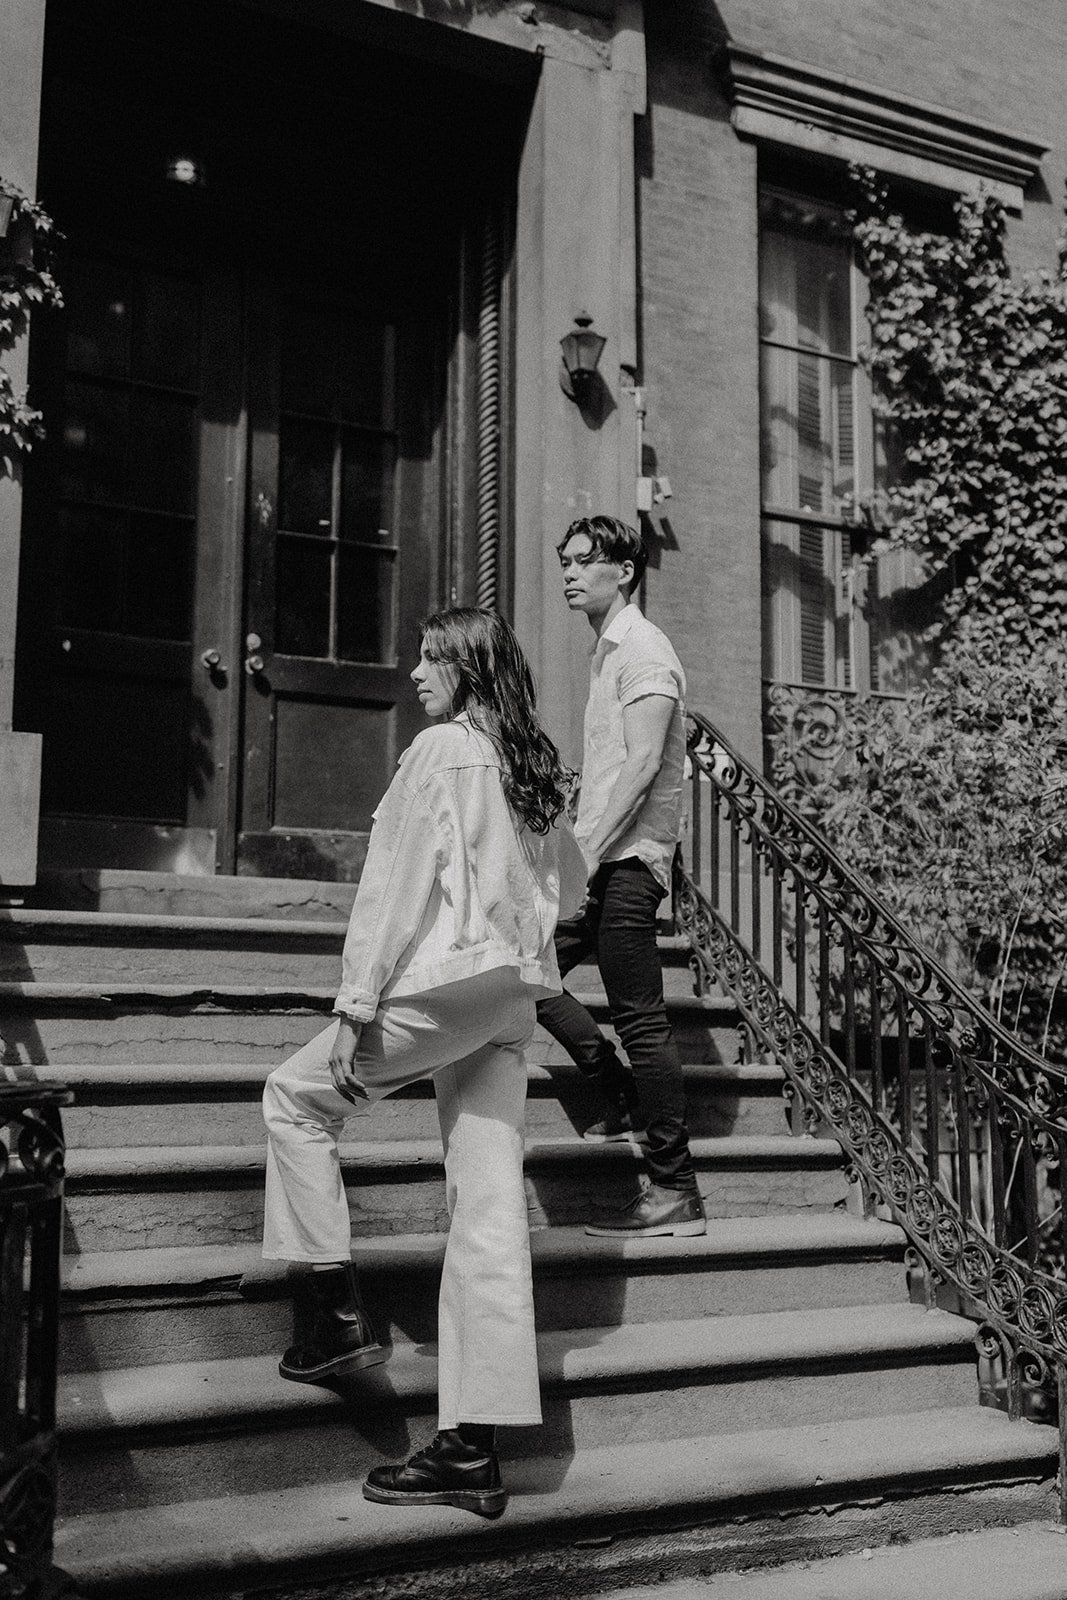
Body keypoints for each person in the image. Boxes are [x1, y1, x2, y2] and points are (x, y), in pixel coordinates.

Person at [261, 607, 586, 1519]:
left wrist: (352, 1007)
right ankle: (469, 1454)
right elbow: (574, 884)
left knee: (293, 1098)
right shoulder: (532, 763)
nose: (412, 673)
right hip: (512, 994)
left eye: (430, 658)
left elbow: (393, 884)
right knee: (486, 1210)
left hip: (450, 981)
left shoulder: (444, 749)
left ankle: (329, 1315)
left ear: (468, 668)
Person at [536, 515, 707, 1239]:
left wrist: (578, 852)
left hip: (628, 862)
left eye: (585, 561)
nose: (570, 574)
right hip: (604, 858)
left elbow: (641, 766)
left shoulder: (642, 649)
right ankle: (611, 1095)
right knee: (527, 967)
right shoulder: (608, 654)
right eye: (565, 562)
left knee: (640, 1019)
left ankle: (673, 1189)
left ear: (624, 570)